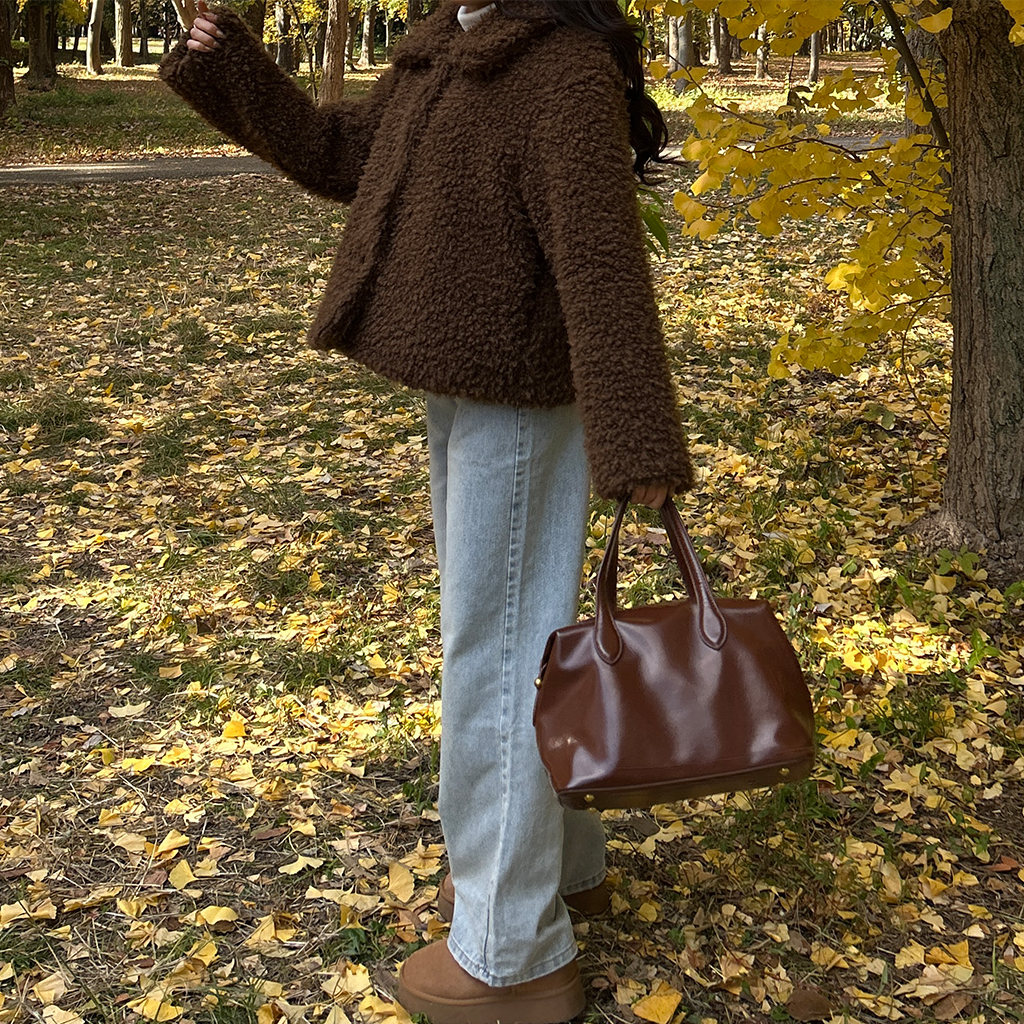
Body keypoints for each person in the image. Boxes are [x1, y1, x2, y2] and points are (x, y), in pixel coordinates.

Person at [161, 2, 693, 1021]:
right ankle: (560, 866)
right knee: (513, 638)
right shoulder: (448, 41)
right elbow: (342, 156)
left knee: (495, 653)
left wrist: (636, 437)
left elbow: (599, 256)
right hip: (460, 383)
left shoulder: (561, 66)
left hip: (523, 397)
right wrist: (230, 66)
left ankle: (512, 949)